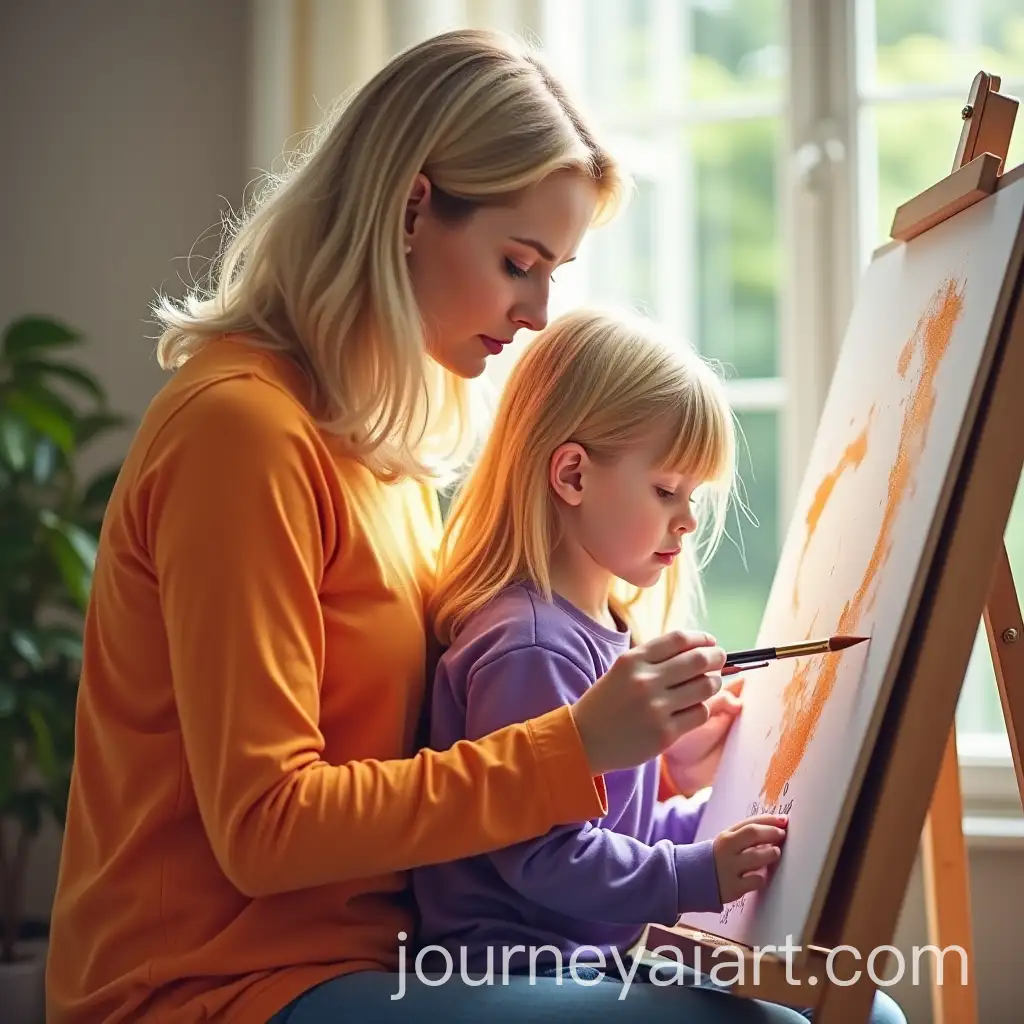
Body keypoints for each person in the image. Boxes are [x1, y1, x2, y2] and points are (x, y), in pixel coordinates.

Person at [43, 27, 905, 1024]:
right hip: (211, 988)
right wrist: (575, 746)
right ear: (412, 209)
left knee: (856, 1008)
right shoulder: (240, 434)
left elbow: (447, 733)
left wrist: (648, 755)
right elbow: (265, 825)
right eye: (517, 262)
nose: (539, 311)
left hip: (384, 957)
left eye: (554, 272)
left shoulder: (377, 452)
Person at [411, 308, 906, 1024]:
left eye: (694, 497)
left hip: (582, 960)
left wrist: (727, 814)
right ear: (573, 475)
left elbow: (624, 831)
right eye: (667, 490)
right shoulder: (529, 646)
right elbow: (546, 857)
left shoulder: (601, 631)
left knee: (866, 1012)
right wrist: (694, 873)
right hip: (507, 967)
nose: (689, 520)